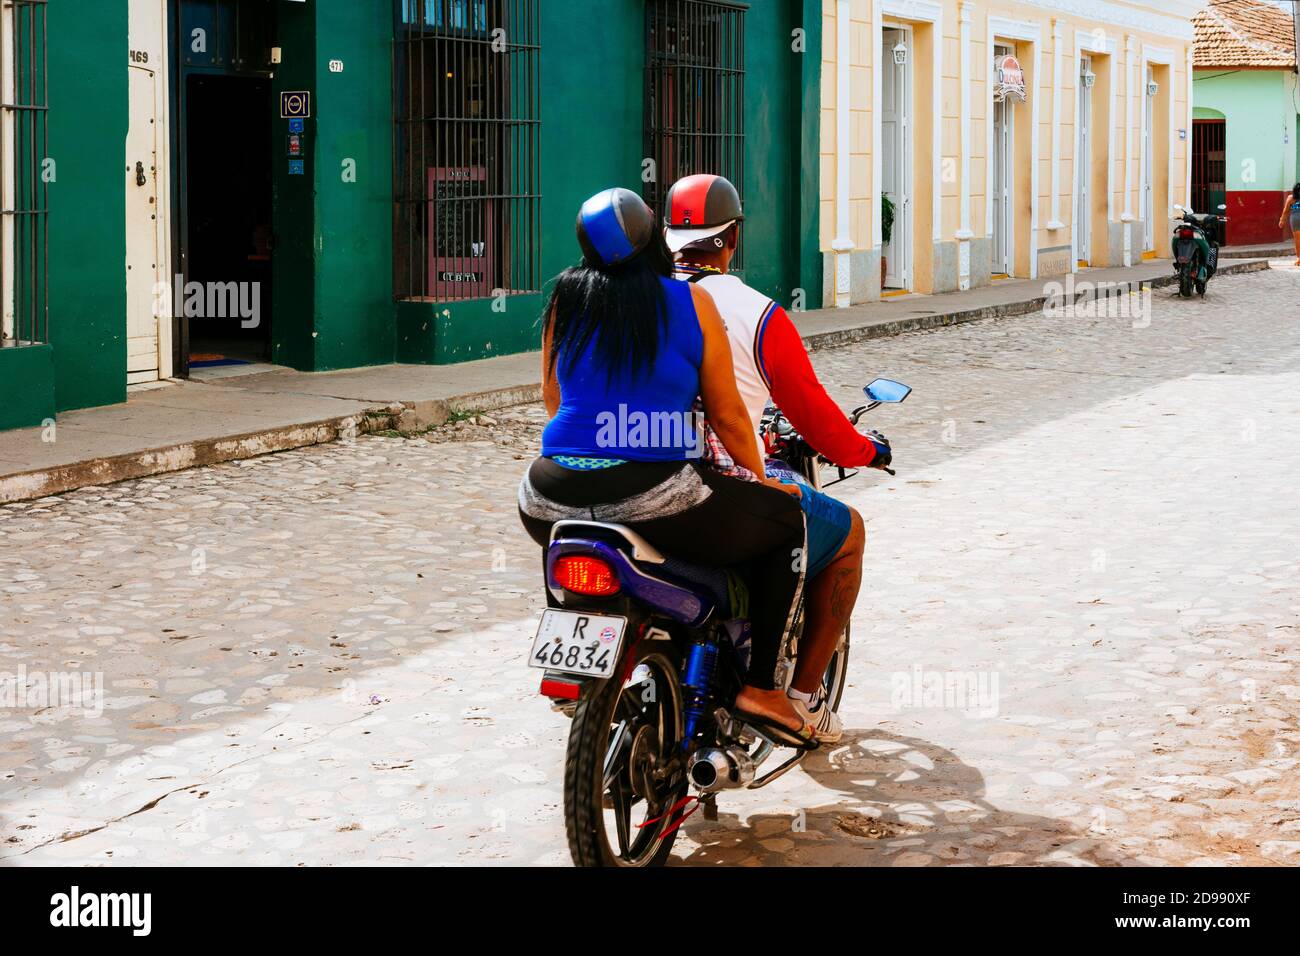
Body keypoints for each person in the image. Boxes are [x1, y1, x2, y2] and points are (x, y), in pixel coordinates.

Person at [517, 186, 818, 745]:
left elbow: (553, 399)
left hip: (545, 493)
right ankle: (761, 689)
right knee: (786, 528)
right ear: (655, 240)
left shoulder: (566, 297)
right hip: (654, 490)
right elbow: (729, 417)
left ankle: (572, 653)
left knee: (574, 547)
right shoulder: (689, 302)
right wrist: (761, 479)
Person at [662, 173, 894, 743]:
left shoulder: (636, 295)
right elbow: (813, 418)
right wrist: (868, 451)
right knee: (848, 532)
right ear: (732, 237)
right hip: (717, 481)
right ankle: (799, 696)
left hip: (633, 471)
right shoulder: (757, 314)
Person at [1277, 184, 1300, 266]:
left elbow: (1286, 211)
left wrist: (1281, 220)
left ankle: (1299, 259)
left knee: (1297, 240)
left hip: (1295, 219)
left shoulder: (1290, 198)